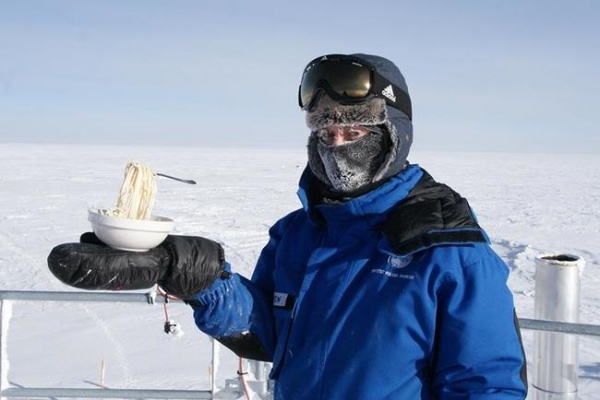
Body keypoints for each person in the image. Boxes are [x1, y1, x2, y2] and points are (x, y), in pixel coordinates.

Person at [48, 53, 528, 399]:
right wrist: (194, 275)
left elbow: (487, 385)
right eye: (324, 131)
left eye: (353, 131)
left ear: (393, 136)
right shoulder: (297, 233)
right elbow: (269, 336)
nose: (335, 143)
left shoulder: (449, 249)